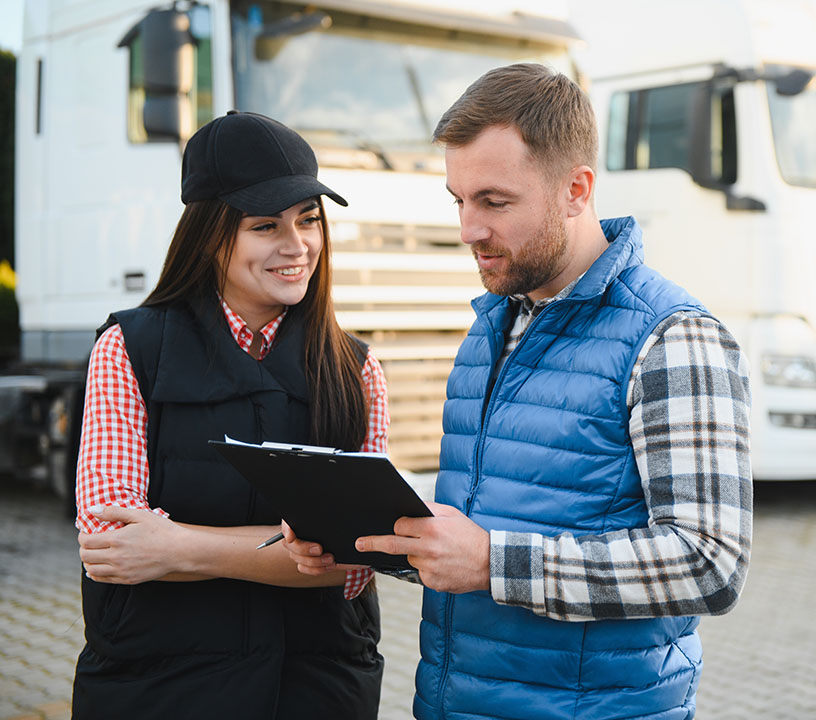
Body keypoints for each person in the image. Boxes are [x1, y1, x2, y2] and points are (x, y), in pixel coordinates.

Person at [287, 63, 753, 718]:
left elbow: (709, 562)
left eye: (494, 202)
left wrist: (493, 564)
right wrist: (355, 527)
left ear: (575, 190)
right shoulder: (488, 330)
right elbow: (488, 518)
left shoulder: (674, 338)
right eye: (459, 200)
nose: (468, 229)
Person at [72, 111, 387, 719]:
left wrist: (179, 547)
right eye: (266, 225)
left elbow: (355, 564)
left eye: (309, 219)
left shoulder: (357, 370)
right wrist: (293, 551)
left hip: (316, 691)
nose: (297, 246)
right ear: (211, 235)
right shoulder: (129, 350)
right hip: (159, 691)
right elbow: (113, 545)